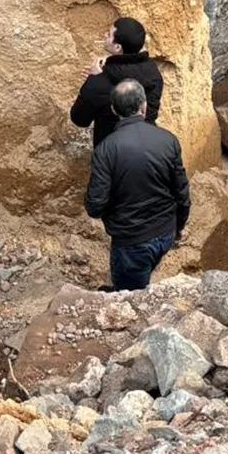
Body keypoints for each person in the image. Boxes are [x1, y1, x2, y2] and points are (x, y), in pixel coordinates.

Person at [83, 79, 191, 291]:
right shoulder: (168, 140)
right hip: (165, 232)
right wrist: (178, 226)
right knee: (140, 278)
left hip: (131, 241)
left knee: (130, 295)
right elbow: (181, 191)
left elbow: (95, 206)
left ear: (114, 109)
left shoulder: (106, 150)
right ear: (144, 107)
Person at [70, 16, 165, 147]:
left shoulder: (100, 81)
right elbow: (150, 114)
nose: (105, 35)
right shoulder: (153, 73)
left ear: (118, 47)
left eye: (109, 34)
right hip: (148, 146)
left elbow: (79, 118)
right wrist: (107, 69)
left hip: (111, 151)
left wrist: (93, 81)